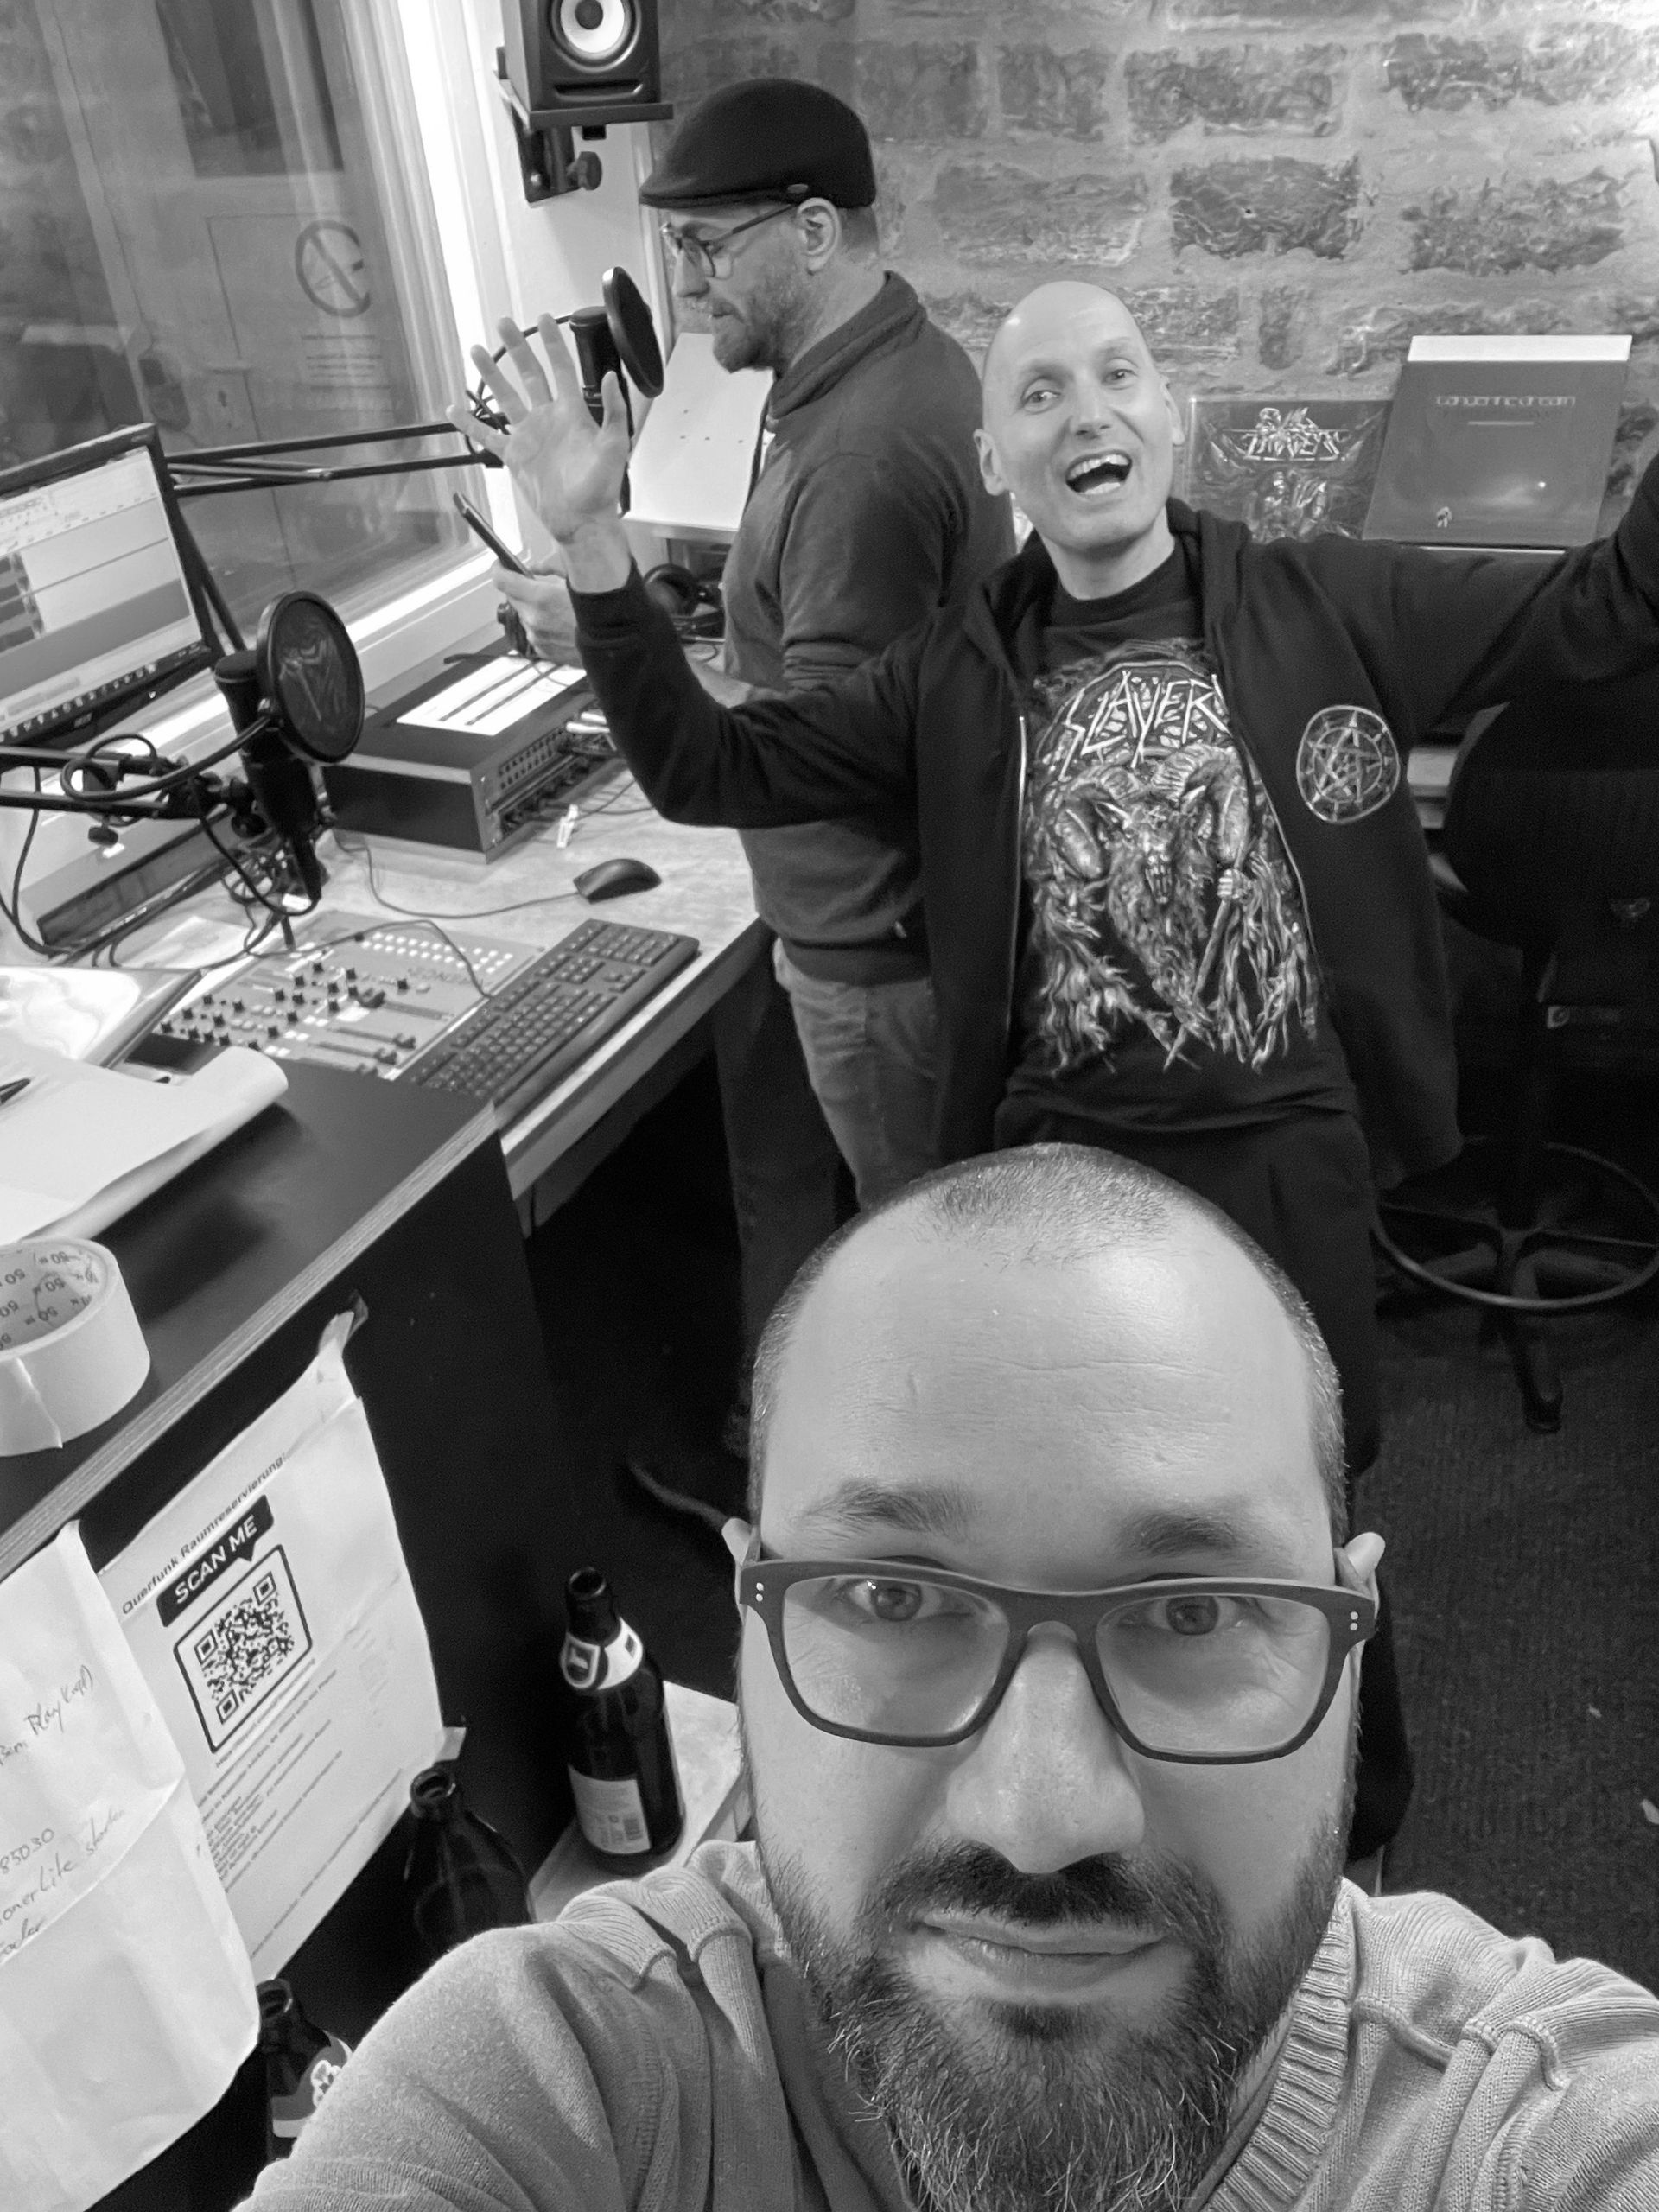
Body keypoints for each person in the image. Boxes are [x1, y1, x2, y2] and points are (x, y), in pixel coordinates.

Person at [458, 275, 1659, 1866]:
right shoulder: (950, 674)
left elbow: (1606, 607)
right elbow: (708, 764)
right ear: (997, 461)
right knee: (1089, 1524)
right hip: (1063, 1171)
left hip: (1280, 1151)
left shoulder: (1322, 600)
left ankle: (1347, 1830)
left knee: (1297, 1519)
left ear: (1173, 418)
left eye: (1117, 376)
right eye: (1039, 392)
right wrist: (594, 545)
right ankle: (1122, 1819)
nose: (1086, 411)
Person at [248, 1146, 1659, 2212]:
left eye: (1193, 1610)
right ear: (745, 1618)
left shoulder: (1531, 2135)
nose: (1042, 1819)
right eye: (893, 1599)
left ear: (1353, 1637)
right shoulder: (560, 2089)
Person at [484, 80, 1012, 1452]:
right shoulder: (882, 365)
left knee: (923, 1271)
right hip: (873, 919)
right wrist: (655, 627)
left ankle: (912, 1513)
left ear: (815, 231)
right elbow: (828, 680)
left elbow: (799, 756)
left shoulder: (862, 456)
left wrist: (602, 602)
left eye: (708, 249)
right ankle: (789, 1436)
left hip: (874, 948)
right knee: (818, 1197)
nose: (685, 282)